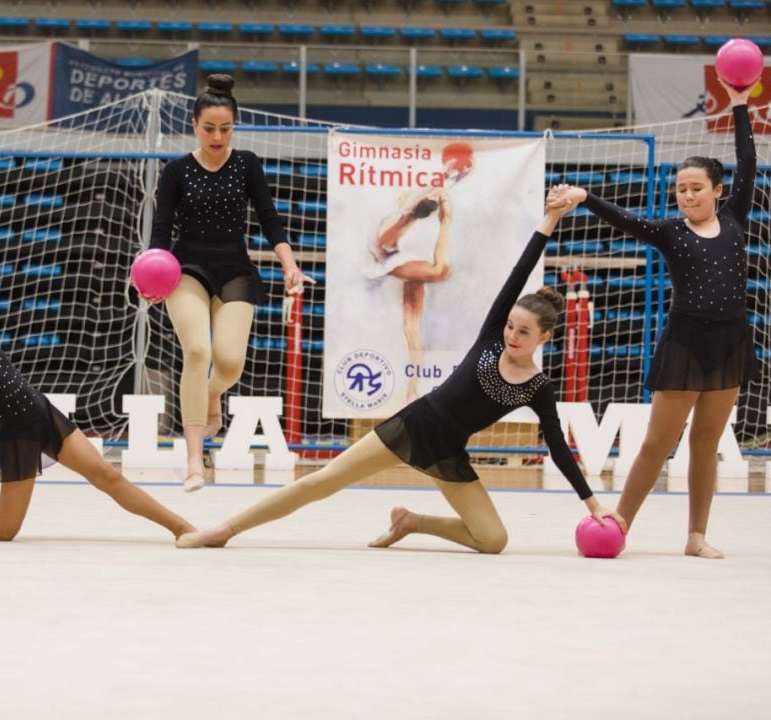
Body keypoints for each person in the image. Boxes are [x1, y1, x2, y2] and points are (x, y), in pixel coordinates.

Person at [176, 185, 627, 551]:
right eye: (511, 326)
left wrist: (592, 505)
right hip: (413, 425)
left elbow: (558, 446)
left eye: (523, 333)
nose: (512, 335)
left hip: (448, 450)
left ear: (544, 339)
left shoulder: (538, 387)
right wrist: (549, 221)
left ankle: (413, 521)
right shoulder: (492, 336)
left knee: (493, 540)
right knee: (323, 482)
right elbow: (520, 269)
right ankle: (225, 529)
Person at [0, 197, 195, 542]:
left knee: (107, 476)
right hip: (18, 435)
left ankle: (183, 528)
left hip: (45, 414)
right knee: (5, 530)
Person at [564, 79, 758, 559]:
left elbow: (748, 162)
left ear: (717, 190)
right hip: (685, 340)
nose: (687, 196)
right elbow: (627, 221)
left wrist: (737, 105)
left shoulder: (735, 217)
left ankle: (696, 535)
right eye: (680, 190)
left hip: (731, 340)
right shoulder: (671, 232)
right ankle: (620, 522)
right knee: (658, 442)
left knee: (705, 442)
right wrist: (585, 197)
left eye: (695, 188)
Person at [144, 74, 314, 492]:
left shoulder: (246, 163)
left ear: (234, 127)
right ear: (194, 125)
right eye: (209, 128)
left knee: (230, 362)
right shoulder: (177, 170)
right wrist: (149, 275)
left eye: (225, 128)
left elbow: (270, 219)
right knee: (197, 350)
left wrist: (289, 265)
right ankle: (193, 460)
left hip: (235, 267)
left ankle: (214, 393)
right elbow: (161, 232)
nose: (217, 137)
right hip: (185, 269)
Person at [367, 188, 453, 401]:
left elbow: (418, 206)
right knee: (440, 271)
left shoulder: (403, 217)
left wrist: (438, 197)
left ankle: (412, 389)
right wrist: (444, 216)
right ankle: (411, 390)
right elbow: (414, 208)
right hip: (387, 257)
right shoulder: (397, 219)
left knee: (411, 328)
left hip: (394, 254)